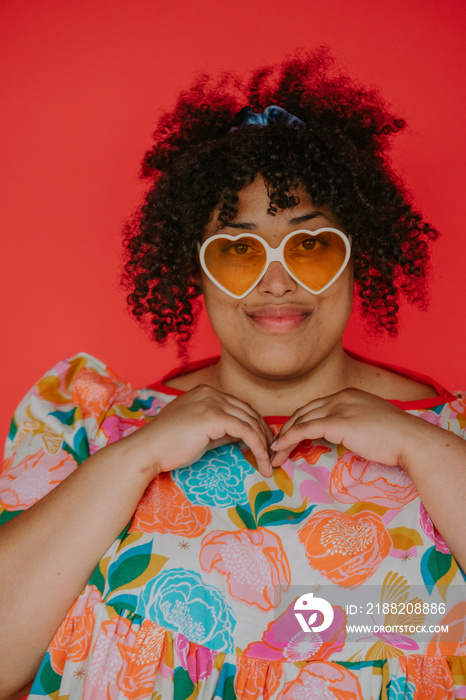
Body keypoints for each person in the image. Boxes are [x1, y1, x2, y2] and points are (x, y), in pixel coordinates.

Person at [1, 48, 466, 700]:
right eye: (240, 250)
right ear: (196, 269)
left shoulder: (453, 434)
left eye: (309, 244)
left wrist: (426, 450)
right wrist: (134, 459)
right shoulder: (86, 424)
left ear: (359, 256)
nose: (278, 280)